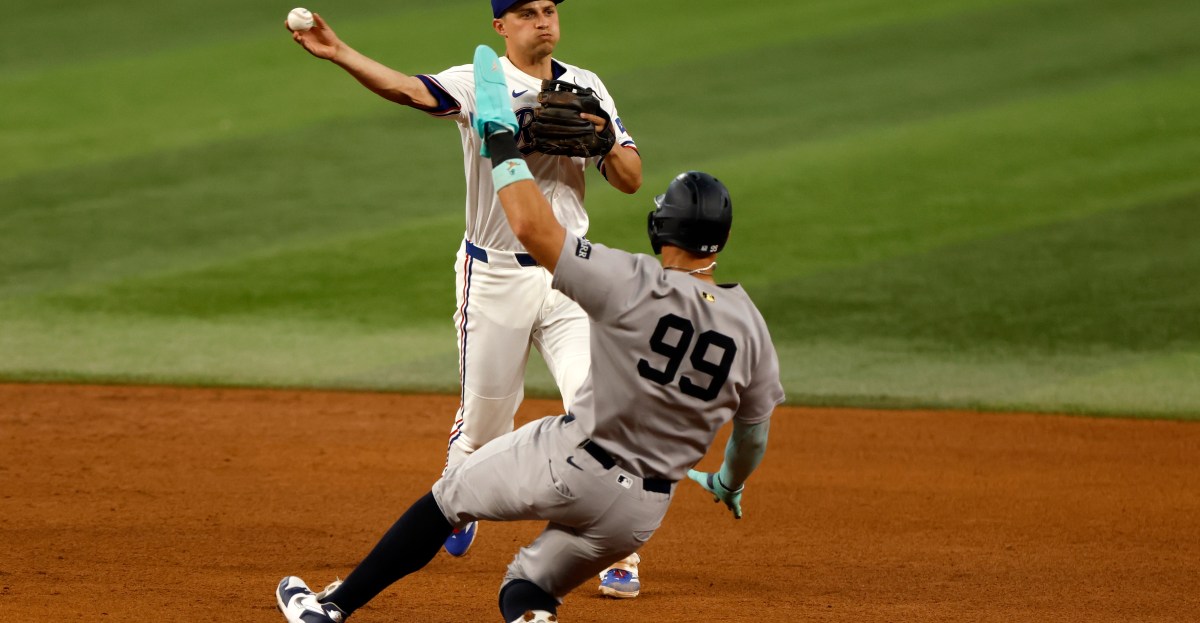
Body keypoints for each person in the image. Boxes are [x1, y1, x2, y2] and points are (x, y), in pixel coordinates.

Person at [274, 44, 784, 623]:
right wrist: (724, 480)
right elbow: (752, 440)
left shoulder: (627, 281)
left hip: (575, 467)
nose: (544, 20)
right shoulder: (752, 327)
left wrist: (498, 133)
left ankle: (330, 609)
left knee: (447, 498)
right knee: (529, 588)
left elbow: (532, 223)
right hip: (643, 509)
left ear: (659, 226)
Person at [287, 0, 646, 594]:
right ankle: (458, 494)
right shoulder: (478, 81)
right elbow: (407, 90)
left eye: (550, 9)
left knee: (600, 408)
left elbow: (631, 179)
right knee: (485, 426)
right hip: (495, 276)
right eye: (528, 12)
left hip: (572, 275)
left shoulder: (588, 86)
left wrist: (606, 139)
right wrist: (340, 52)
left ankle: (616, 551)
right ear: (502, 26)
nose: (544, 21)